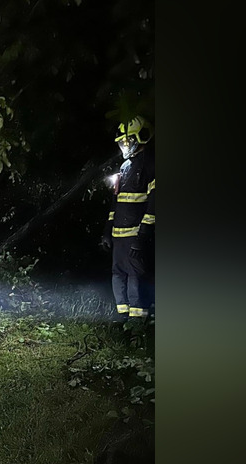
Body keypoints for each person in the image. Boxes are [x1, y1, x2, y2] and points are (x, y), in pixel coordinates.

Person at [101, 116, 155, 323]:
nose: (125, 146)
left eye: (128, 141)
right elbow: (115, 203)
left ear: (141, 138)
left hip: (135, 234)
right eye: (122, 143)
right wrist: (107, 231)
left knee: (135, 275)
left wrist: (143, 235)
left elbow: (154, 204)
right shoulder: (124, 167)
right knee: (118, 273)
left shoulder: (150, 165)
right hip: (118, 236)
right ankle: (122, 317)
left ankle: (138, 322)